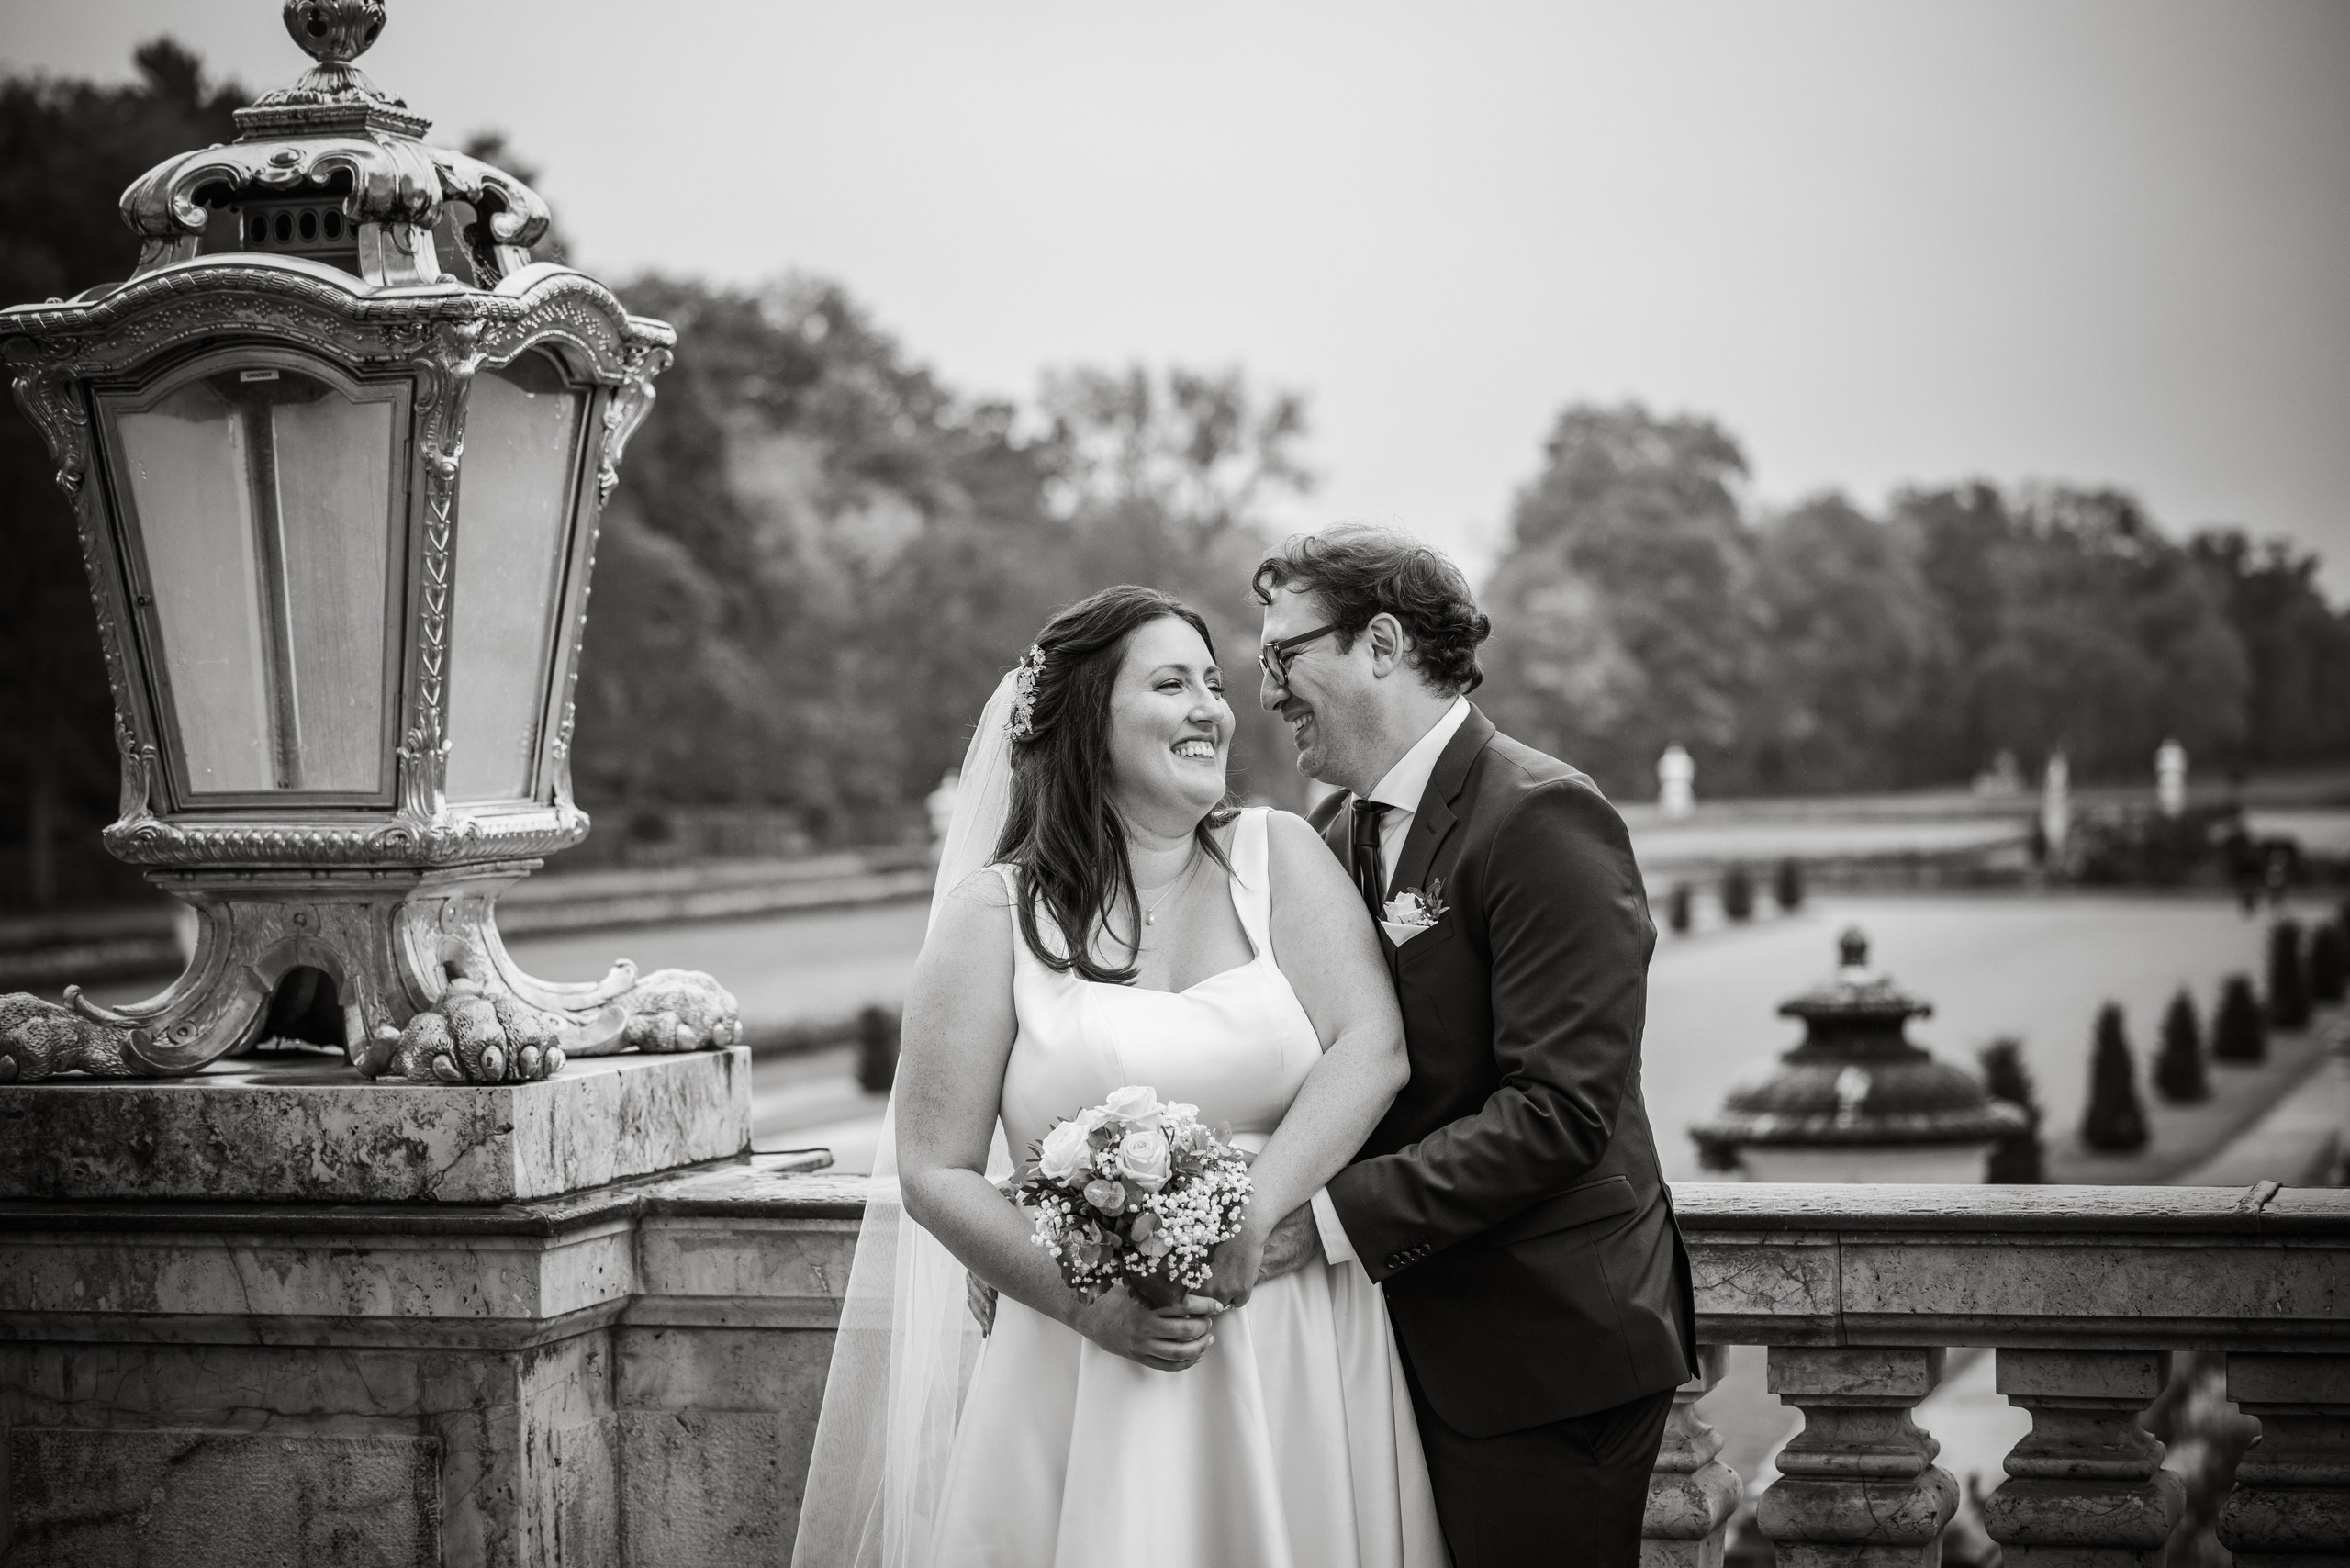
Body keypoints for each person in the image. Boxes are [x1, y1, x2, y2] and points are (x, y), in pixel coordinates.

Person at [790, 584, 1447, 1568]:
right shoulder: (992, 919)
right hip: (1081, 1358)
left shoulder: (1282, 853)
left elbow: (1372, 1048)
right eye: (1171, 683)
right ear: (1088, 719)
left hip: (1293, 1337)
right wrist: (1088, 1305)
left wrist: (1250, 1216)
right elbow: (935, 1168)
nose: (1212, 708)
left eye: (1212, 685)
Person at [1248, 524, 1697, 1568]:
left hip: (1543, 1353)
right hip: (1392, 1346)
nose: (1266, 689)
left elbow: (1561, 1112)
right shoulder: (1331, 832)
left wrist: (1323, 1222)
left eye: (1283, 655)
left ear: (1383, 644)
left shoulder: (1542, 817)